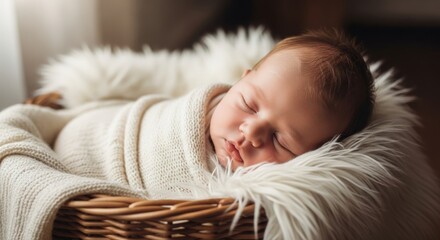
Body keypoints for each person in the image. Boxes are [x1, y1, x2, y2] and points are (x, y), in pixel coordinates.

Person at [210, 29, 375, 170]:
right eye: (248, 106)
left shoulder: (269, 194)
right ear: (242, 79)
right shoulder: (200, 108)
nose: (251, 132)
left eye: (280, 141)